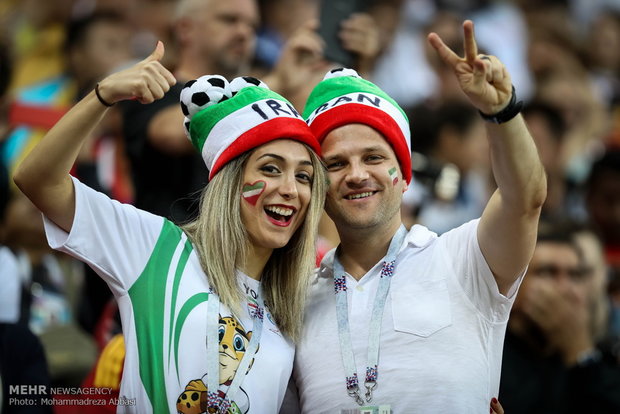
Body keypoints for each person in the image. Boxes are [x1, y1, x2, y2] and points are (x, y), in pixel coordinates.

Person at [13, 41, 327, 413]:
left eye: (304, 177)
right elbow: (38, 181)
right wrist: (103, 95)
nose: (290, 189)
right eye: (270, 168)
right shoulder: (157, 249)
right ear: (229, 183)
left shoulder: (299, 300)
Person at [282, 19, 547, 413]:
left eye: (373, 158)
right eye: (336, 164)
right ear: (317, 185)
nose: (357, 175)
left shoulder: (464, 259)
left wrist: (501, 113)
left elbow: (523, 200)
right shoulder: (291, 298)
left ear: (405, 176)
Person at [499, 221, 620, 413]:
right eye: (547, 272)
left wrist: (579, 350)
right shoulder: (494, 357)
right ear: (515, 285)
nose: (565, 289)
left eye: (575, 275)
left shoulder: (601, 354)